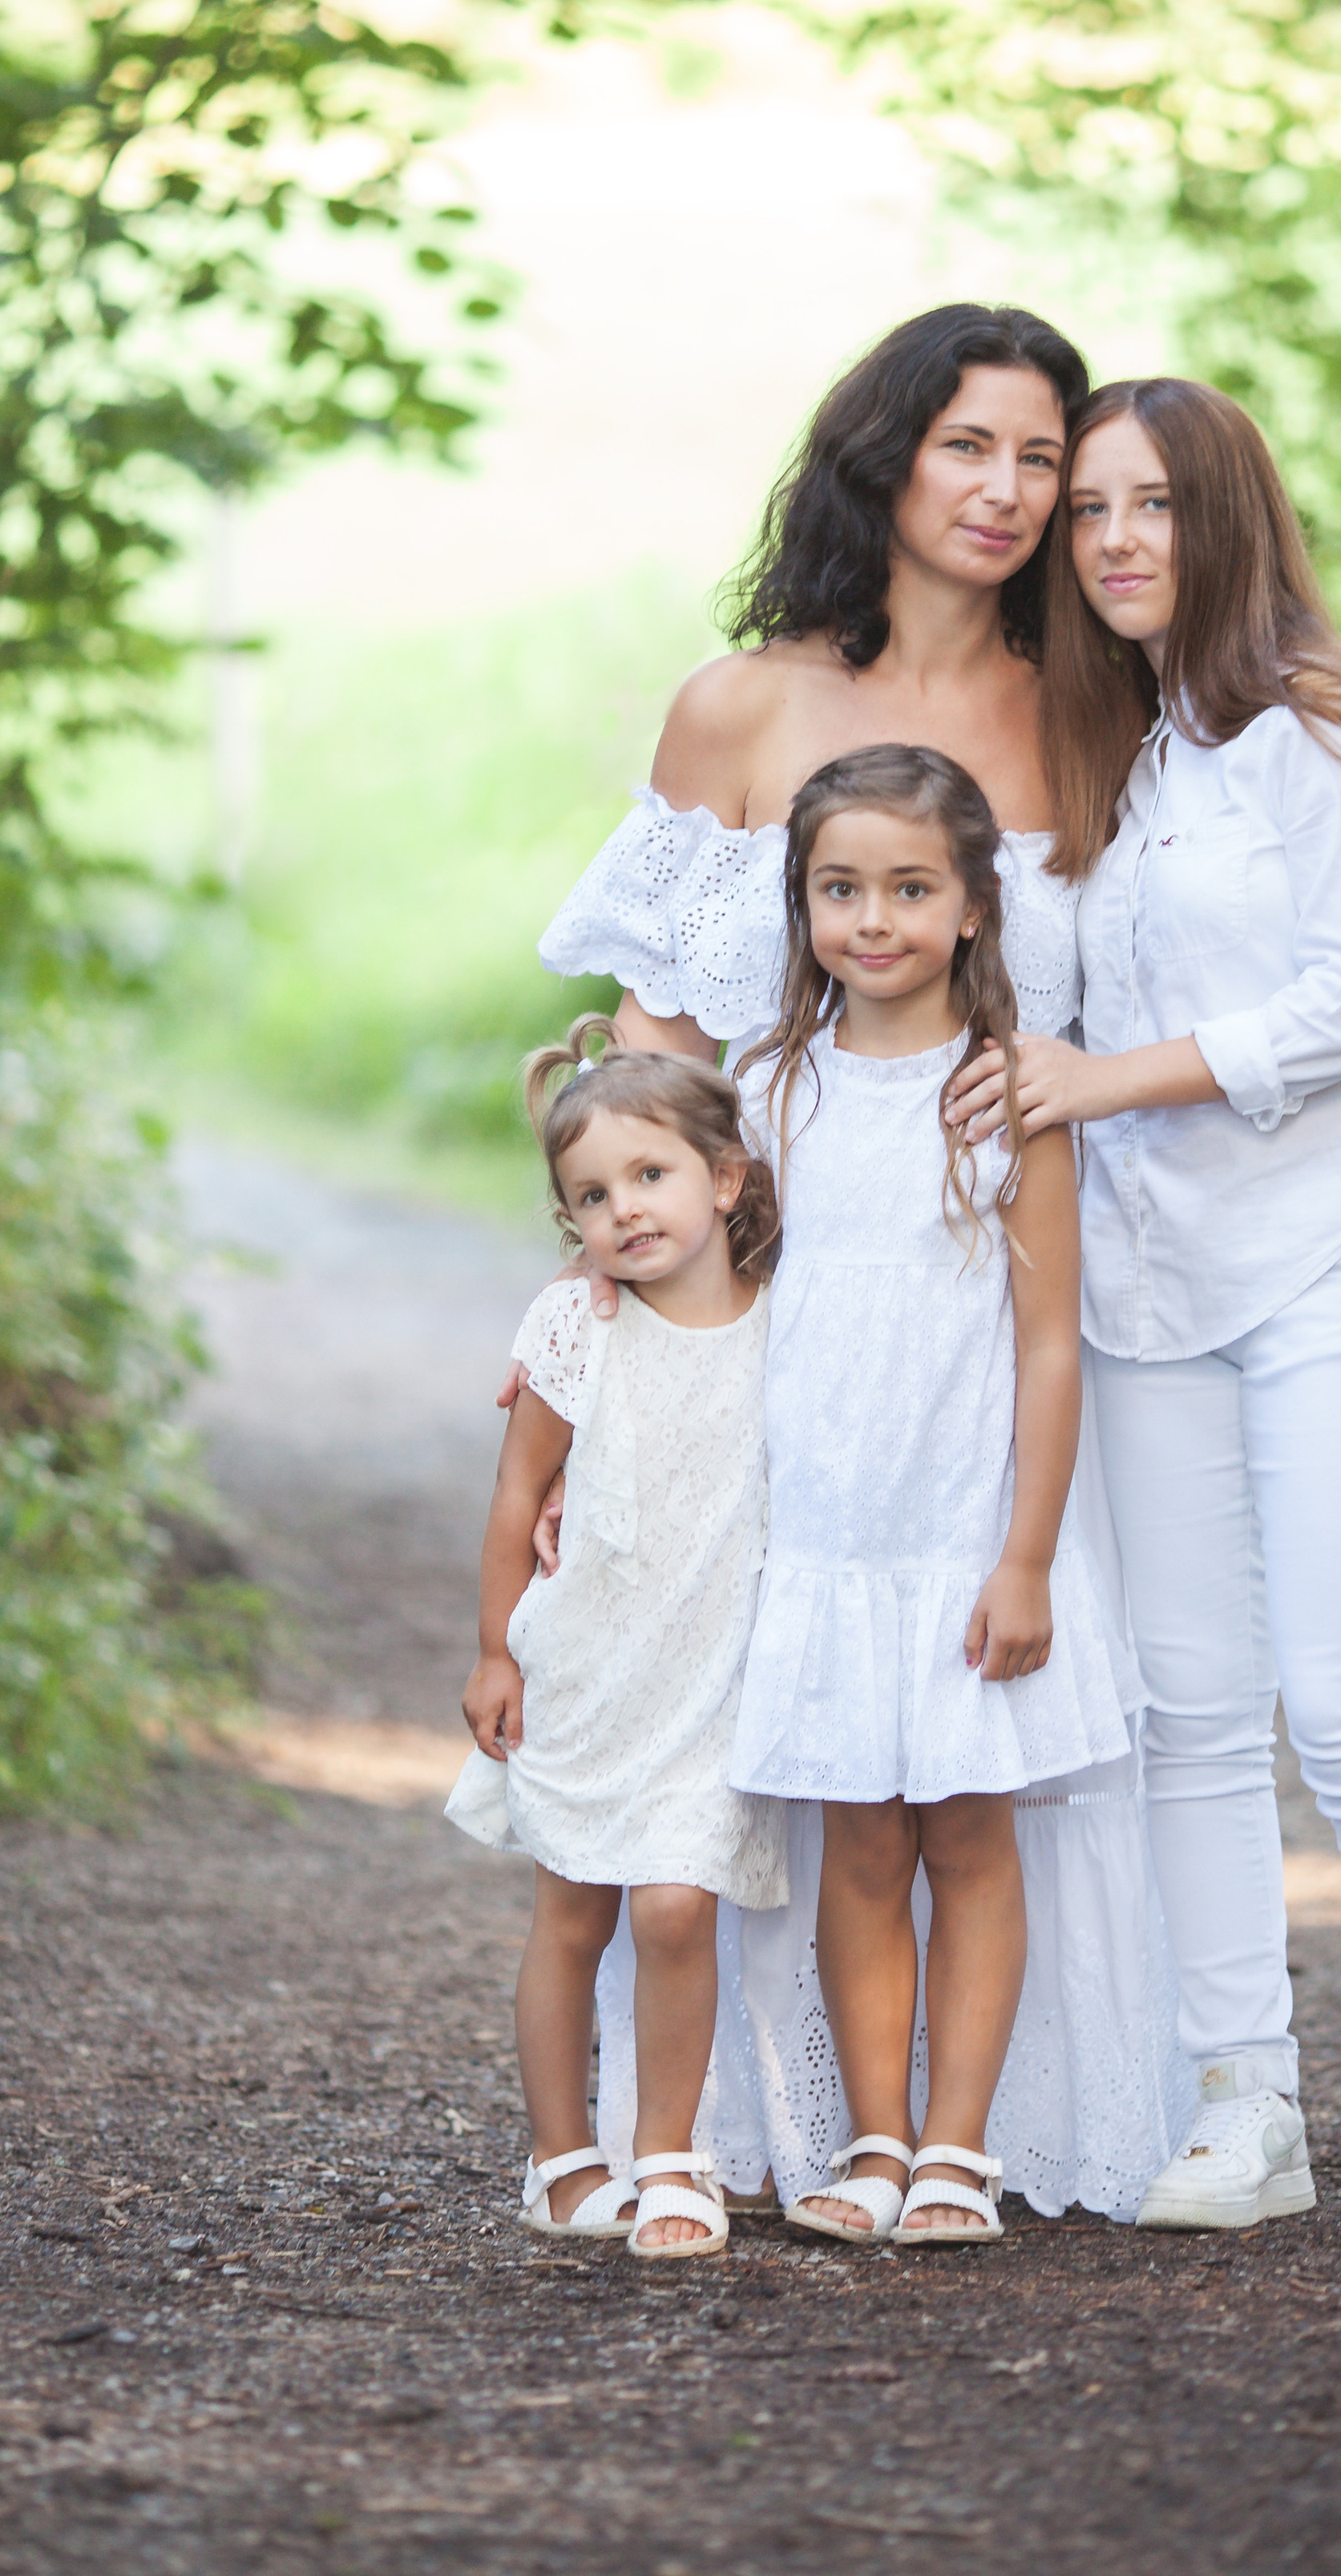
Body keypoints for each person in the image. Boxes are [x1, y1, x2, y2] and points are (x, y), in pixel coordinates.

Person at [534, 304, 1192, 2219]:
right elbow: (644, 1057)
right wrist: (601, 1310)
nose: (1004, 492)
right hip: (768, 1316)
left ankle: (996, 2128)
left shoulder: (1103, 712)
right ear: (885, 455)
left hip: (1026, 1295)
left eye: (1039, 461)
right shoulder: (738, 708)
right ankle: (765, 2126)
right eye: (965, 448)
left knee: (991, 1753)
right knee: (788, 1729)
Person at [949, 376, 1341, 2229]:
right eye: (1087, 508)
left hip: (1340, 1253)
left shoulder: (1331, 734)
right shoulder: (1113, 757)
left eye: (1151, 504)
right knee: (1187, 1711)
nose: (1112, 537)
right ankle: (1239, 2109)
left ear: (1226, 520)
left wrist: (1087, 1081)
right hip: (1150, 1275)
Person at [729, 746, 1125, 2242]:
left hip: (961, 1532)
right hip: (824, 1536)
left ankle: (960, 2146)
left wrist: (1024, 1558)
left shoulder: (1009, 1101)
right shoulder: (770, 1092)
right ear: (803, 904)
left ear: (973, 909)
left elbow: (1046, 1343)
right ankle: (876, 2142)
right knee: (862, 1847)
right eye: (840, 888)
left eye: (910, 888)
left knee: (968, 1835)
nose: (872, 919)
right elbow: (715, 1308)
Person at [448, 1025, 786, 2261]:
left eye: (651, 1177)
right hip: (587, 1672)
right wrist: (495, 1652)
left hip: (709, 1682)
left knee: (676, 1907)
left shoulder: (783, 1322)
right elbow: (511, 1496)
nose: (625, 1211)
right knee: (573, 1916)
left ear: (727, 1179)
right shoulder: (577, 1329)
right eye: (592, 1196)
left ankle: (673, 2158)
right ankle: (560, 2162)